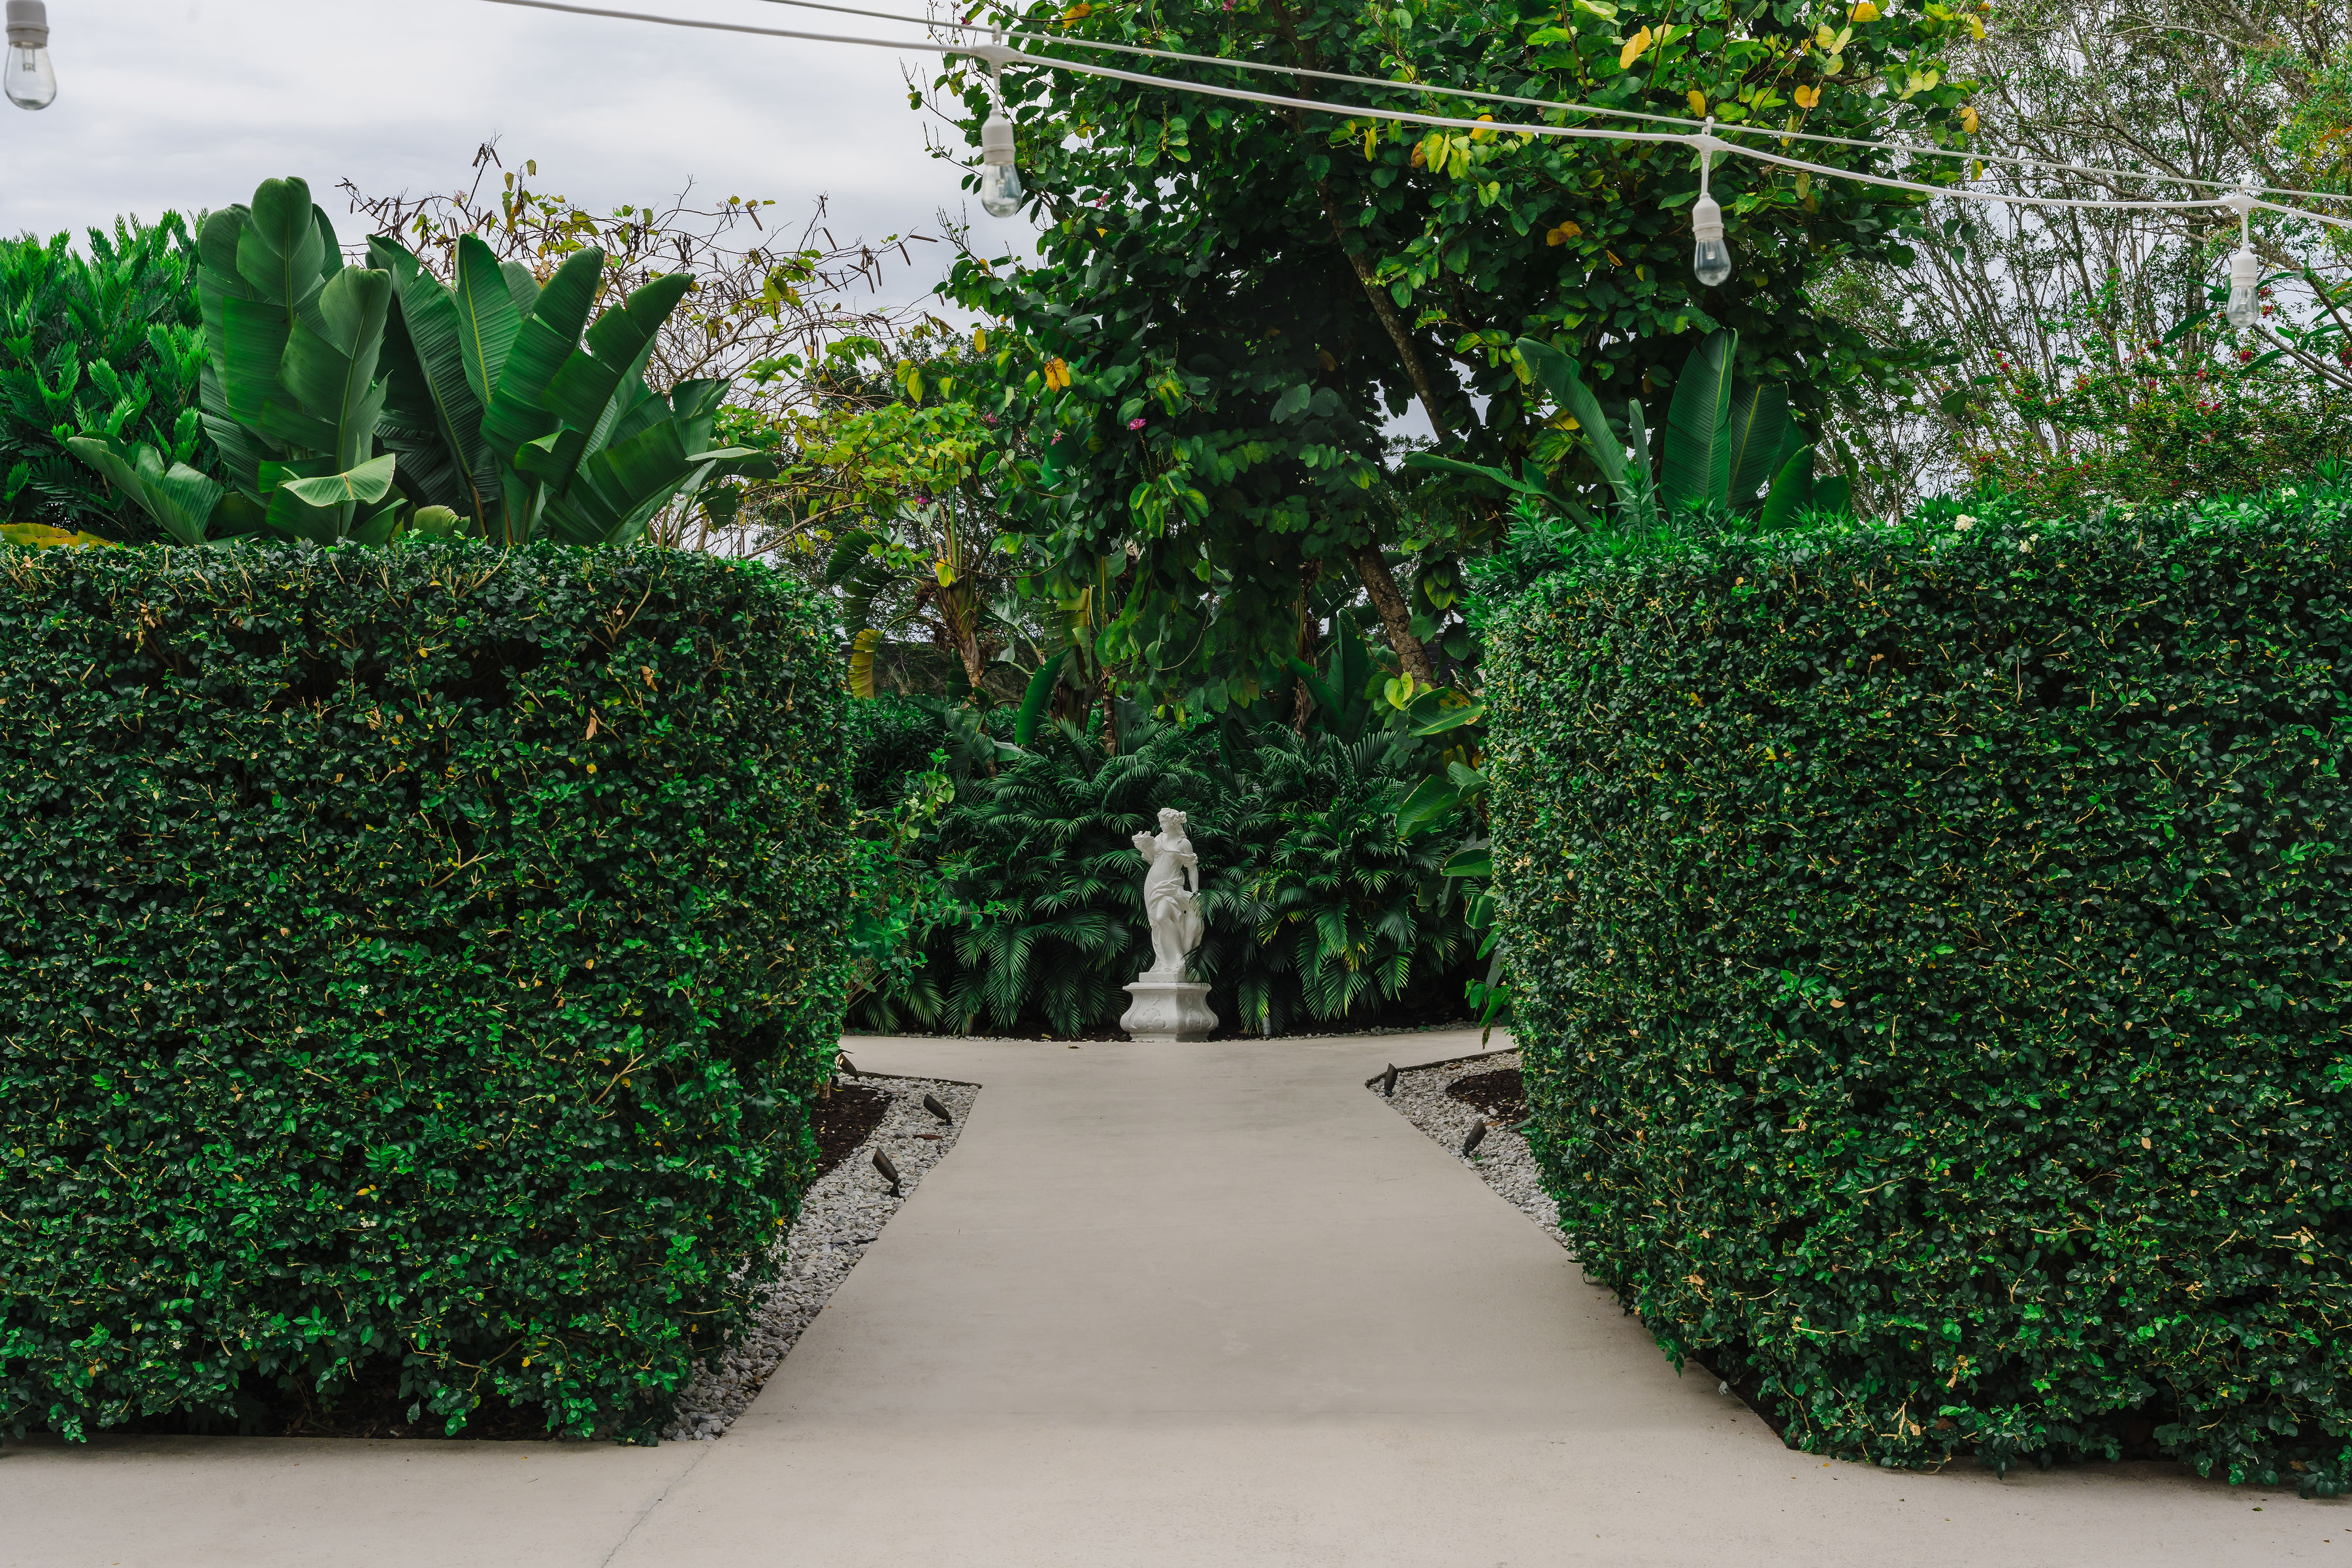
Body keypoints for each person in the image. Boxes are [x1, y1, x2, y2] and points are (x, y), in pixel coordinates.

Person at [1131, 807, 1205, 977]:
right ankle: (1165, 961)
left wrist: (1195, 892)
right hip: (1153, 885)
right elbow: (1153, 857)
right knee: (1157, 925)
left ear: (1173, 822)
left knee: (1162, 917)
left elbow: (1192, 868)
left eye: (1164, 822)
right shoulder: (1159, 838)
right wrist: (1142, 844)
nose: (1161, 825)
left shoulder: (1183, 844)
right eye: (1161, 822)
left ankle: (1179, 956)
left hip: (1171, 886)